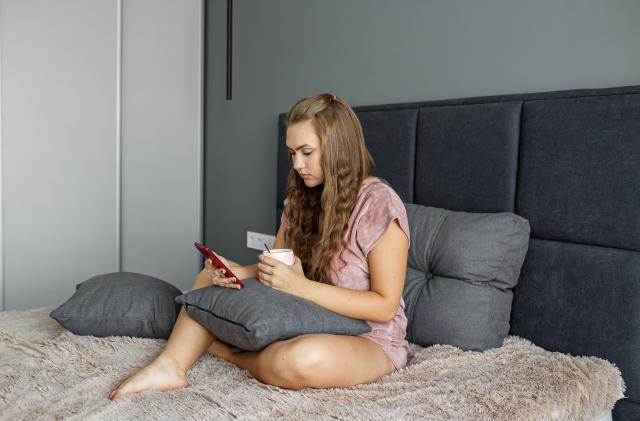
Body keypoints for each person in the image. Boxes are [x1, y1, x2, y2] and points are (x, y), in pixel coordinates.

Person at [108, 93, 410, 400]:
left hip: (369, 336)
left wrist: (301, 287)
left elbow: (384, 306)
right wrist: (237, 271)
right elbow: (278, 271)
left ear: (338, 149)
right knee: (206, 283)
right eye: (292, 153)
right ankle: (169, 366)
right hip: (308, 315)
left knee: (299, 360)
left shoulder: (378, 204)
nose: (297, 165)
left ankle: (228, 352)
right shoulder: (300, 199)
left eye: (307, 152)